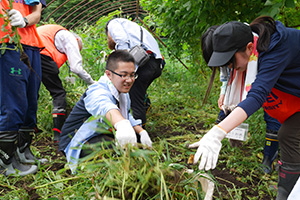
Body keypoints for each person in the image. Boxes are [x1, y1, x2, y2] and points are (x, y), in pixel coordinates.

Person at [190, 17, 300, 199]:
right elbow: (237, 98)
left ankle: (287, 192)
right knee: (289, 135)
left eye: (231, 62)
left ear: (250, 47)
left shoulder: (276, 48)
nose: (231, 68)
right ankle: (286, 189)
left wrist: (218, 133)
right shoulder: (253, 50)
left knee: (288, 135)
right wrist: (220, 126)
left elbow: (256, 96)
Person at [201, 25, 281, 174]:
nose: (227, 66)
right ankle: (214, 139)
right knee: (229, 106)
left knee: (272, 111)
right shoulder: (231, 53)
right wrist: (223, 91)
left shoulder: (259, 49)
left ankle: (269, 159)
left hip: (278, 86)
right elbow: (226, 76)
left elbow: (257, 97)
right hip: (248, 74)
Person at [59, 50, 153, 172]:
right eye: (123, 75)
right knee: (110, 150)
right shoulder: (97, 91)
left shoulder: (122, 93)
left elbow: (126, 115)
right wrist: (122, 125)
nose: (129, 80)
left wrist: (141, 132)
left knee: (137, 143)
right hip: (79, 141)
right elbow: (105, 106)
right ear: (109, 74)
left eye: (132, 75)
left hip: (102, 133)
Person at [0, 0, 46, 176]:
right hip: (7, 42)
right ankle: (5, 160)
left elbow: (37, 12)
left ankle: (22, 151)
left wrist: (25, 20)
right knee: (13, 103)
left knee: (30, 101)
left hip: (31, 45)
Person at [37, 24, 95, 143]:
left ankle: (29, 128)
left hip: (28, 52)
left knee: (31, 92)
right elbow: (76, 68)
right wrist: (92, 83)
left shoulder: (51, 33)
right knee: (58, 93)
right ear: (77, 41)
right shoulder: (69, 37)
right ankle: (58, 135)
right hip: (42, 56)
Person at [105, 18, 165, 128]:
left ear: (108, 33)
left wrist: (119, 68)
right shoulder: (135, 29)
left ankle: (140, 134)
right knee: (138, 93)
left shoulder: (113, 24)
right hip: (156, 64)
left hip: (144, 65)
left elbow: (122, 42)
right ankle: (145, 105)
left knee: (135, 101)